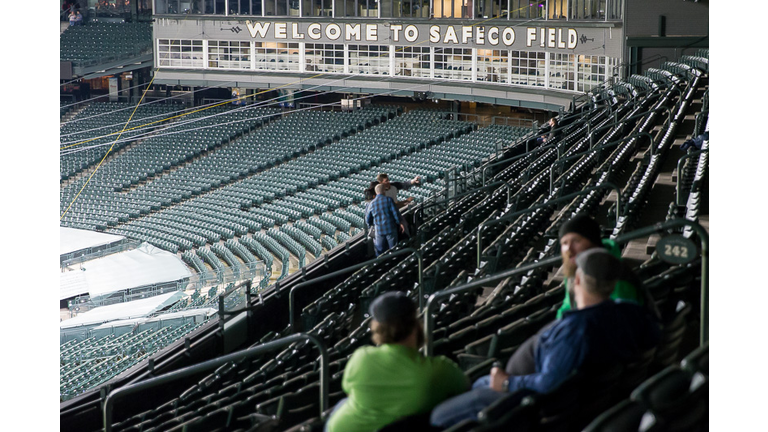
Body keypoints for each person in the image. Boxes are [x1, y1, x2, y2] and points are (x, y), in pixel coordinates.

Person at [429, 249, 661, 428]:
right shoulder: (626, 311)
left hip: (516, 400)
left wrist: (507, 382)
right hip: (531, 397)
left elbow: (551, 383)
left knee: (436, 416)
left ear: (577, 280)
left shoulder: (576, 331)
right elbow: (654, 326)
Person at [325, 292, 469, 432]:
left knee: (343, 404)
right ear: (416, 326)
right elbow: (464, 387)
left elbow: (350, 391)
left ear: (378, 330)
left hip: (342, 427)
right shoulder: (439, 370)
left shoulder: (361, 357)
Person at [365, 184, 403, 256]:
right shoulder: (389, 200)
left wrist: (371, 226)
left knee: (380, 252)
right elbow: (395, 214)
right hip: (390, 229)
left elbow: (368, 219)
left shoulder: (371, 204)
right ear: (384, 191)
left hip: (379, 231)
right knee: (393, 249)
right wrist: (400, 223)